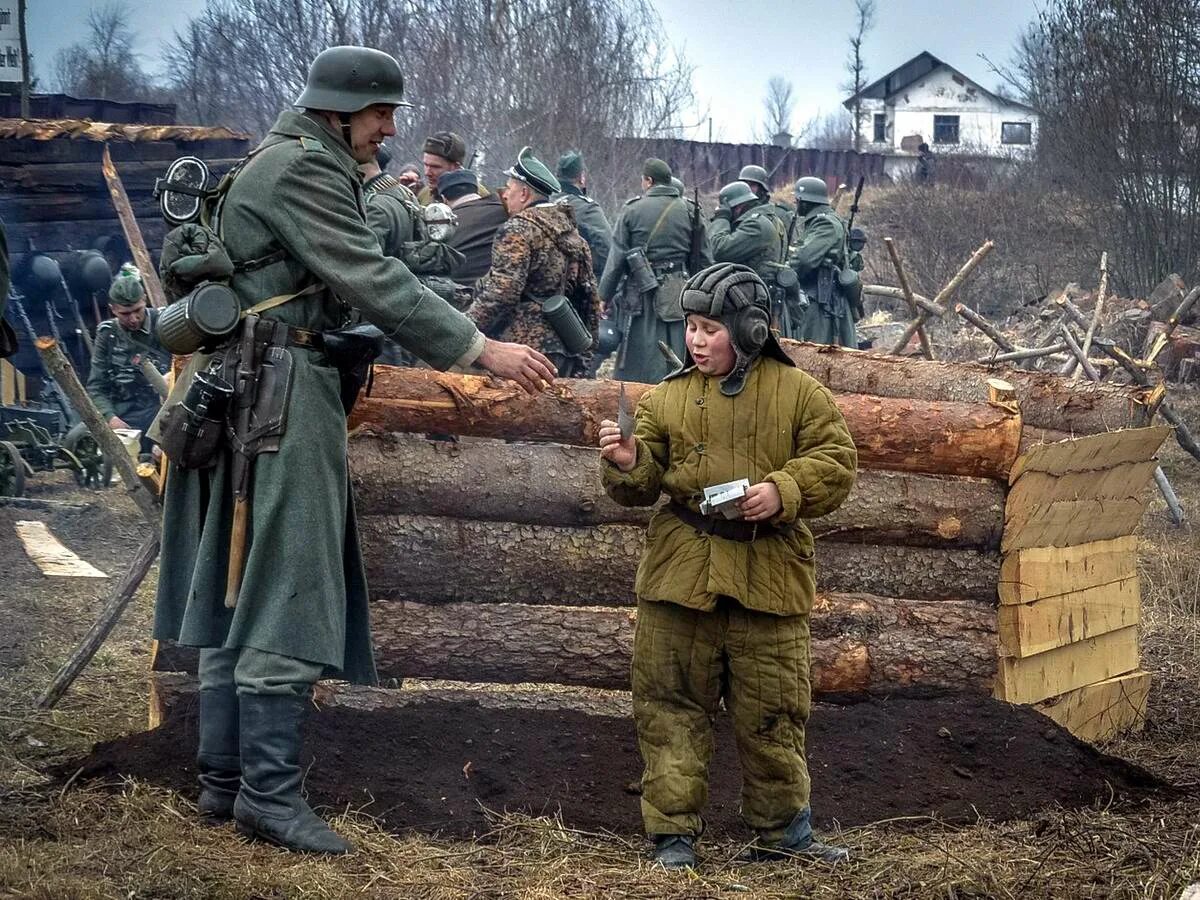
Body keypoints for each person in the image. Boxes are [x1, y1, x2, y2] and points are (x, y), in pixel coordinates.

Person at [153, 45, 555, 856]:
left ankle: (223, 782)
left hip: (254, 378)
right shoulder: (302, 168)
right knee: (288, 578)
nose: (392, 128)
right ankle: (266, 795)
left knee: (241, 579)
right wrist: (479, 348)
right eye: (381, 113)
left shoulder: (290, 161)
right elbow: (374, 277)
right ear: (339, 109)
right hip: (281, 388)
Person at [597, 263, 857, 871]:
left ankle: (784, 834)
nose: (694, 340)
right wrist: (629, 460)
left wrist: (784, 491)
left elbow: (838, 460)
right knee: (669, 709)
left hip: (768, 579)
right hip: (680, 577)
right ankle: (673, 836)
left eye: (709, 328)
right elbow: (638, 486)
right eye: (690, 327)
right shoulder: (666, 397)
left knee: (774, 714)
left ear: (750, 330)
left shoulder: (801, 394)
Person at [467, 147, 601, 377]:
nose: (505, 195)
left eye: (509, 188)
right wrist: (585, 355)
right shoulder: (575, 237)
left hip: (521, 352)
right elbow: (590, 300)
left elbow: (503, 291)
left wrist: (464, 329)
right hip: (565, 347)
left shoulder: (517, 229)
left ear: (524, 194)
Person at [598, 158, 711, 383]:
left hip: (640, 292)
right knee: (678, 345)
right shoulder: (690, 210)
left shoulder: (632, 210)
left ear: (648, 180)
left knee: (639, 349)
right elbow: (704, 259)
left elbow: (617, 259)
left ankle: (637, 394)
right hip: (679, 292)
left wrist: (604, 296)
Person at [85, 264, 170, 452]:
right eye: (125, 314)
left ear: (145, 300)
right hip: (124, 414)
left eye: (137, 310)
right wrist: (110, 417)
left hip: (162, 412)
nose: (133, 319)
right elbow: (96, 386)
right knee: (79, 437)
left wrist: (171, 378)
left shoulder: (165, 324)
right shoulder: (107, 334)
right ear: (112, 309)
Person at [788, 177, 859, 347]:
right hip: (820, 297)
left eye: (798, 199)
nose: (796, 203)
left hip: (822, 300)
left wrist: (785, 270)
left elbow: (804, 259)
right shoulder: (823, 220)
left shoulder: (825, 223)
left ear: (806, 201)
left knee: (814, 351)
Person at [440, 168, 508, 285]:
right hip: (499, 289)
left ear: (444, 199)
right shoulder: (505, 210)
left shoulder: (441, 226)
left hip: (455, 296)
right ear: (476, 191)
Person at [552, 150, 613, 278]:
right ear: (581, 178)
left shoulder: (545, 201)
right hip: (577, 283)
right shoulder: (587, 208)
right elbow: (608, 247)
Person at [418, 131, 487, 204]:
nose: (427, 173)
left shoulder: (480, 198)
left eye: (435, 167)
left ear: (456, 167)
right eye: (426, 165)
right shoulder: (424, 195)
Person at [738, 164, 795, 235]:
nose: (747, 188)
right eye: (744, 184)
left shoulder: (778, 213)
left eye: (752, 185)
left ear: (762, 189)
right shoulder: (736, 211)